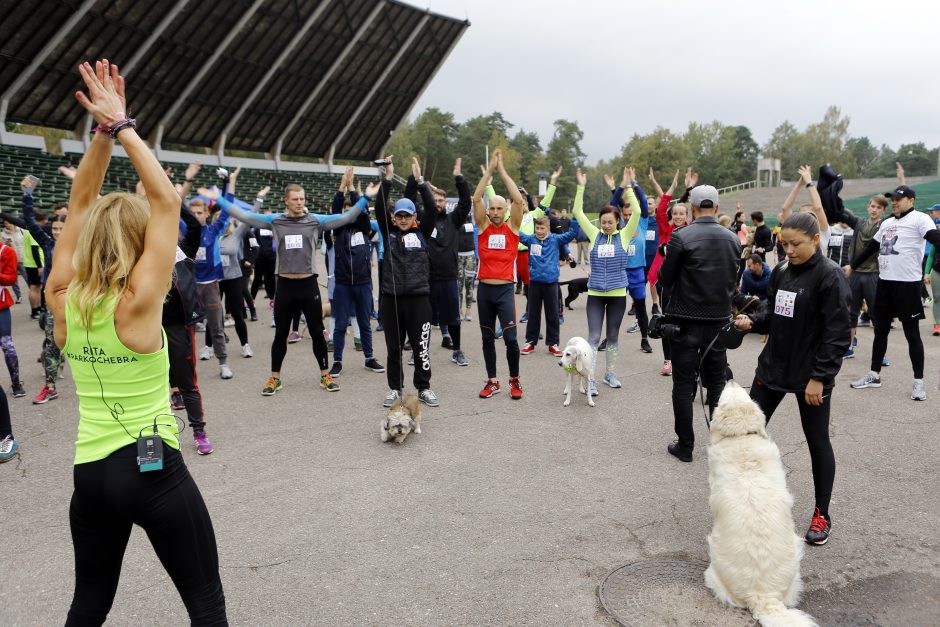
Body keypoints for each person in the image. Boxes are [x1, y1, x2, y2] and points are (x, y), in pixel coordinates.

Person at [44, 59, 226, 624]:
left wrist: (100, 133)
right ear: (137, 241)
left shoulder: (61, 298)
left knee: (89, 602)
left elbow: (80, 204)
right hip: (150, 469)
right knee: (205, 601)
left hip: (90, 475)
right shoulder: (137, 304)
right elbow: (169, 201)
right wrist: (122, 125)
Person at [734, 211, 851, 545]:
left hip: (810, 376)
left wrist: (820, 377)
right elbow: (773, 315)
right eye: (784, 244)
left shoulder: (830, 278)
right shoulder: (782, 271)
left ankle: (822, 514)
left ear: (816, 240)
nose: (788, 251)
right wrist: (753, 322)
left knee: (817, 442)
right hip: (772, 368)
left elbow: (838, 335)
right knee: (746, 435)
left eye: (796, 244)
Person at [205, 180, 368, 396]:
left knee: (318, 333)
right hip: (285, 286)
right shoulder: (276, 221)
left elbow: (346, 217)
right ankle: (275, 378)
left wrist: (366, 197)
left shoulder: (314, 221)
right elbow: (244, 215)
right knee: (280, 334)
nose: (300, 202)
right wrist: (220, 199)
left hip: (308, 284)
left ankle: (324, 374)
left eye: (302, 199)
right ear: (286, 201)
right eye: (295, 199)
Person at [658, 183, 741, 462]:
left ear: (692, 209)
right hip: (717, 321)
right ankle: (719, 444)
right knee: (716, 383)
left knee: (683, 385)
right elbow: (733, 280)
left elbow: (665, 280)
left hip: (684, 321)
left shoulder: (682, 236)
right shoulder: (733, 239)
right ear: (716, 208)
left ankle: (686, 446)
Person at [847, 184, 940, 400]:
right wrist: (852, 265)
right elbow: (872, 247)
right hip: (885, 283)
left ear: (911, 200)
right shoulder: (888, 223)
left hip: (907, 286)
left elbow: (936, 240)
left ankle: (919, 382)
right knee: (880, 330)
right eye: (893, 199)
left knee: (912, 334)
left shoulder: (920, 219)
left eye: (899, 199)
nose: (895, 202)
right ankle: (874, 374)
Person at [373, 157, 440, 408]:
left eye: (407, 215)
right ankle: (394, 388)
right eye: (399, 215)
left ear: (414, 217)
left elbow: (432, 210)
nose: (402, 220)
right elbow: (380, 206)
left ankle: (423, 387)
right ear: (394, 217)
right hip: (391, 300)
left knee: (421, 348)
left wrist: (421, 183)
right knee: (393, 349)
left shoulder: (422, 232)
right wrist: (388, 178)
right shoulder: (388, 232)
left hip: (419, 299)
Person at [571, 167, 642, 393]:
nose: (606, 225)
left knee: (612, 337)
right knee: (593, 337)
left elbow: (638, 212)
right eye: (603, 221)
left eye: (610, 222)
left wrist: (628, 186)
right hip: (595, 294)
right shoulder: (594, 234)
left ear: (618, 221)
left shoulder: (624, 234)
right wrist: (581, 186)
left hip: (617, 294)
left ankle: (610, 374)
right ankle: (590, 378)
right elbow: (577, 212)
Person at [473, 150, 526, 400]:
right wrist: (488, 173)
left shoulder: (513, 228)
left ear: (505, 211)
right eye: (491, 208)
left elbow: (517, 200)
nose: (494, 211)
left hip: (504, 290)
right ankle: (492, 381)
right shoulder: (483, 226)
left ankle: (514, 380)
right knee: (486, 338)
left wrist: (502, 171)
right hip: (484, 290)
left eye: (498, 208)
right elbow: (475, 199)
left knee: (511, 339)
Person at [328, 167, 384, 377]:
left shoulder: (364, 227)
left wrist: (353, 189)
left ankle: (369, 358)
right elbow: (335, 210)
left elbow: (362, 210)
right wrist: (342, 188)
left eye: (353, 208)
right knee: (341, 325)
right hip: (343, 284)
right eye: (347, 208)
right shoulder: (338, 227)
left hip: (363, 283)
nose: (350, 211)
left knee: (364, 322)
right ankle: (337, 361)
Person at [417, 156, 472, 367]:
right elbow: (413, 201)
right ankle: (420, 352)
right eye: (434, 200)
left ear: (445, 203)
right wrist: (420, 182)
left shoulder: (453, 220)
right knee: (424, 320)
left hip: (449, 277)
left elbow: (466, 202)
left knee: (453, 318)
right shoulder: (424, 221)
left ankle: (457, 351)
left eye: (441, 200)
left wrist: (459, 177)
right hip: (428, 278)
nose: (438, 203)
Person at [519, 207, 577, 356]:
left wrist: (576, 217)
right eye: (537, 228)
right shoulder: (530, 239)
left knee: (552, 315)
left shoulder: (556, 239)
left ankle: (553, 344)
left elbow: (571, 233)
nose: (539, 231)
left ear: (548, 228)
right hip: (535, 283)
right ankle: (530, 342)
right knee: (533, 314)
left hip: (551, 283)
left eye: (542, 228)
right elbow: (516, 233)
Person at [190, 195, 233, 379]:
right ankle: (185, 369)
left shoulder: (213, 230)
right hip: (189, 287)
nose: (196, 216)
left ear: (207, 213)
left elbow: (226, 213)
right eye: (192, 213)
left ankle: (223, 363)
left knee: (216, 327)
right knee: (184, 329)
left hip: (209, 286)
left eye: (200, 212)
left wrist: (227, 187)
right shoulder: (184, 232)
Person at [646, 168, 684, 376]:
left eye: (681, 213)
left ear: (687, 216)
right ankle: (668, 360)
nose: (678, 216)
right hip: (667, 282)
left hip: (686, 283)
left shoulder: (691, 231)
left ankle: (684, 358)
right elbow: (661, 210)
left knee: (685, 322)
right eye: (675, 213)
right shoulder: (665, 229)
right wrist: (672, 188)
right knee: (668, 320)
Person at [923, 204, 940, 336]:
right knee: (937, 298)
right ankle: (937, 324)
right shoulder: (937, 236)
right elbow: (931, 256)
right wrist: (927, 273)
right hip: (937, 271)